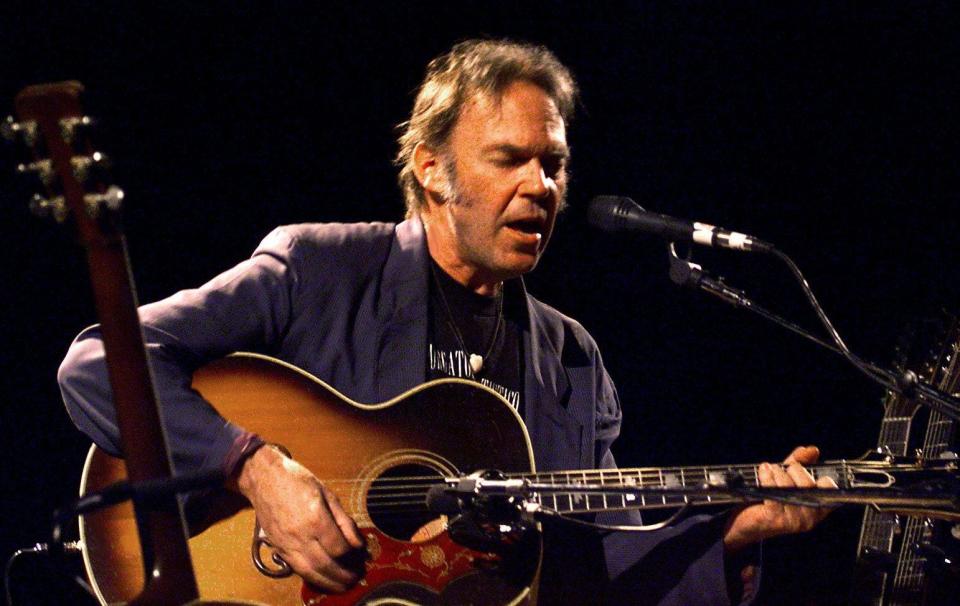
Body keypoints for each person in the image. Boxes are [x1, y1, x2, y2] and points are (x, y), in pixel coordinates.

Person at [59, 39, 835, 604]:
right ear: (432, 169)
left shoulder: (572, 362)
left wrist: (728, 536)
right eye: (511, 159)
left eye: (555, 164)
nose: (542, 186)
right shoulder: (319, 271)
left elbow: (596, 569)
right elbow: (99, 362)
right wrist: (255, 468)